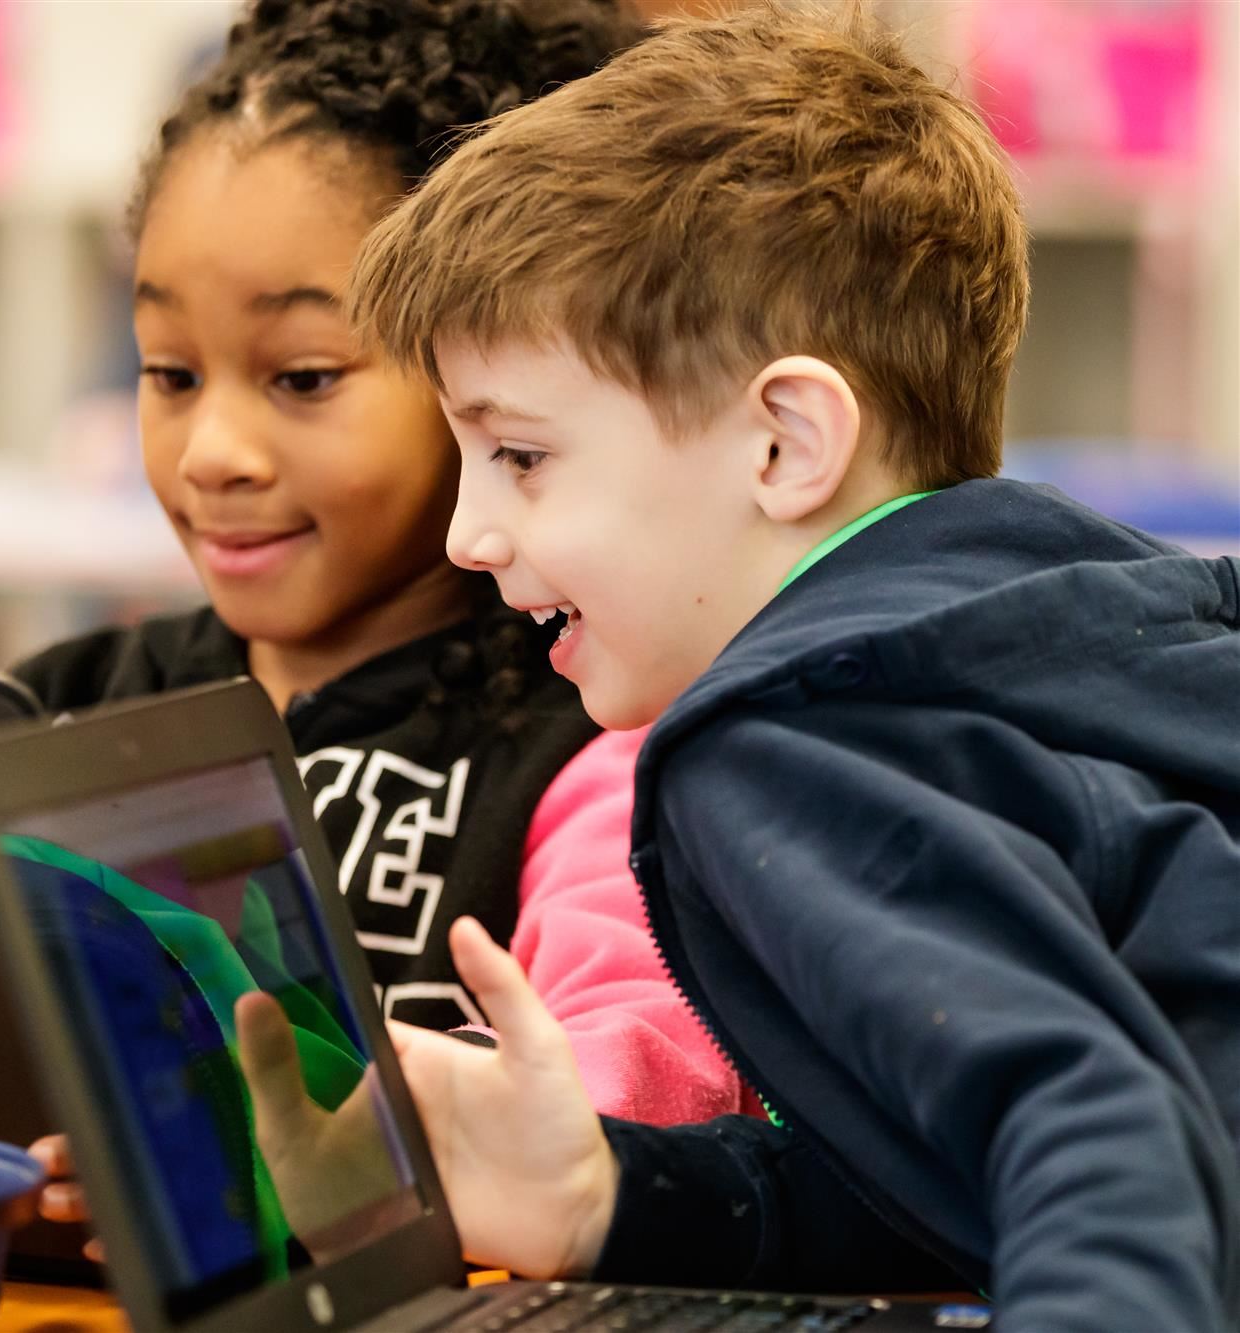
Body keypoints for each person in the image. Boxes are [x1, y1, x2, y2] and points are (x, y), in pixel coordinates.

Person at [317, 4, 1240, 1329]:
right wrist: (609, 1194)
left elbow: (1092, 1126)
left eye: (520, 454)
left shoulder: (788, 734)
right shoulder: (1036, 626)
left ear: (786, 445)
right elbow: (968, 1159)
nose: (467, 534)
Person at [14, 0, 743, 1184]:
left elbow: (628, 1068)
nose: (213, 452)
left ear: (490, 369)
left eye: (302, 376)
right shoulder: (46, 716)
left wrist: (379, 1148)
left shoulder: (594, 729)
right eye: (169, 373)